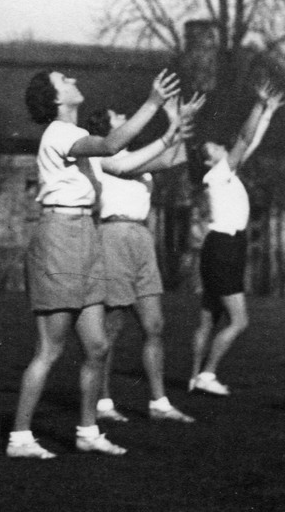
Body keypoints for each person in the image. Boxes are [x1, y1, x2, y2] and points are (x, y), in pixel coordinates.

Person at [6, 67, 179, 460]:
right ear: (55, 99)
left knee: (98, 346)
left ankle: (87, 431)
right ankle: (19, 437)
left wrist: (173, 130)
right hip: (60, 237)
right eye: (62, 80)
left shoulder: (79, 140)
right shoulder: (60, 133)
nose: (71, 80)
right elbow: (114, 143)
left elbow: (120, 161)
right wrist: (153, 102)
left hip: (86, 235)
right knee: (50, 349)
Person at [87, 92, 203, 425]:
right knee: (112, 325)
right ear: (106, 127)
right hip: (113, 235)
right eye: (117, 114)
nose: (124, 116)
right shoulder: (103, 156)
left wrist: (178, 117)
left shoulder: (136, 155)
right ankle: (103, 401)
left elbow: (173, 156)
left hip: (140, 237)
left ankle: (159, 403)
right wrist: (172, 121)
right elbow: (154, 159)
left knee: (154, 325)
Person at [188, 80, 283, 398]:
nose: (220, 147)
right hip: (225, 248)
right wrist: (258, 104)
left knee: (208, 317)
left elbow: (250, 142)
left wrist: (267, 113)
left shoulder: (223, 173)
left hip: (220, 246)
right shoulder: (217, 174)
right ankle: (207, 375)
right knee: (238, 321)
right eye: (214, 148)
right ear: (207, 161)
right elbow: (244, 139)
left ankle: (193, 377)